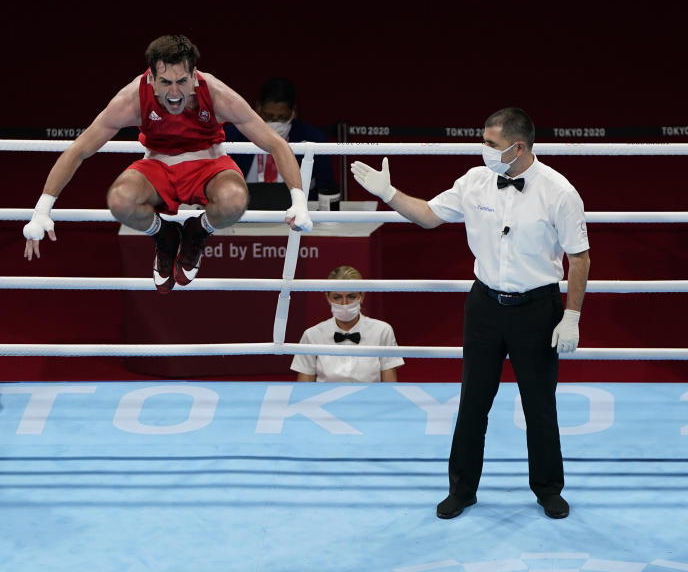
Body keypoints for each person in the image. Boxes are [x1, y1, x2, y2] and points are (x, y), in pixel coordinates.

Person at [350, 107, 590, 520]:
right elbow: (428, 216)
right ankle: (462, 490)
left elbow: (579, 258)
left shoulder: (559, 191)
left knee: (539, 405)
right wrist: (389, 194)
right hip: (484, 306)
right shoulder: (474, 181)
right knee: (473, 402)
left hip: (537, 308)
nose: (483, 150)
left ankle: (548, 489)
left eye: (490, 144)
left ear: (518, 147)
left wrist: (572, 316)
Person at [21, 35, 313, 293]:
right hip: (157, 166)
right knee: (120, 200)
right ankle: (165, 235)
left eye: (181, 81)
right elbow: (80, 149)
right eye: (165, 82)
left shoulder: (216, 94)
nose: (174, 92)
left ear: (194, 75)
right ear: (151, 78)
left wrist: (299, 201)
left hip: (208, 164)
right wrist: (42, 209)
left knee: (235, 200)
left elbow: (275, 143)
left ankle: (198, 231)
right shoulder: (132, 99)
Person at [225, 77, 338, 200]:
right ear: (258, 108)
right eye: (268, 116)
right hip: (242, 208)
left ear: (293, 112)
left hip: (297, 208)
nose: (275, 122)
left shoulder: (313, 138)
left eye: (282, 117)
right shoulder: (234, 134)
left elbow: (326, 187)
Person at [291, 265, 403, 382]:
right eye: (337, 297)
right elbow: (304, 389)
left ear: (362, 296)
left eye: (351, 296)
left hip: (369, 399)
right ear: (328, 297)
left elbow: (389, 387)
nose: (344, 303)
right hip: (325, 400)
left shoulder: (383, 331)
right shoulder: (311, 335)